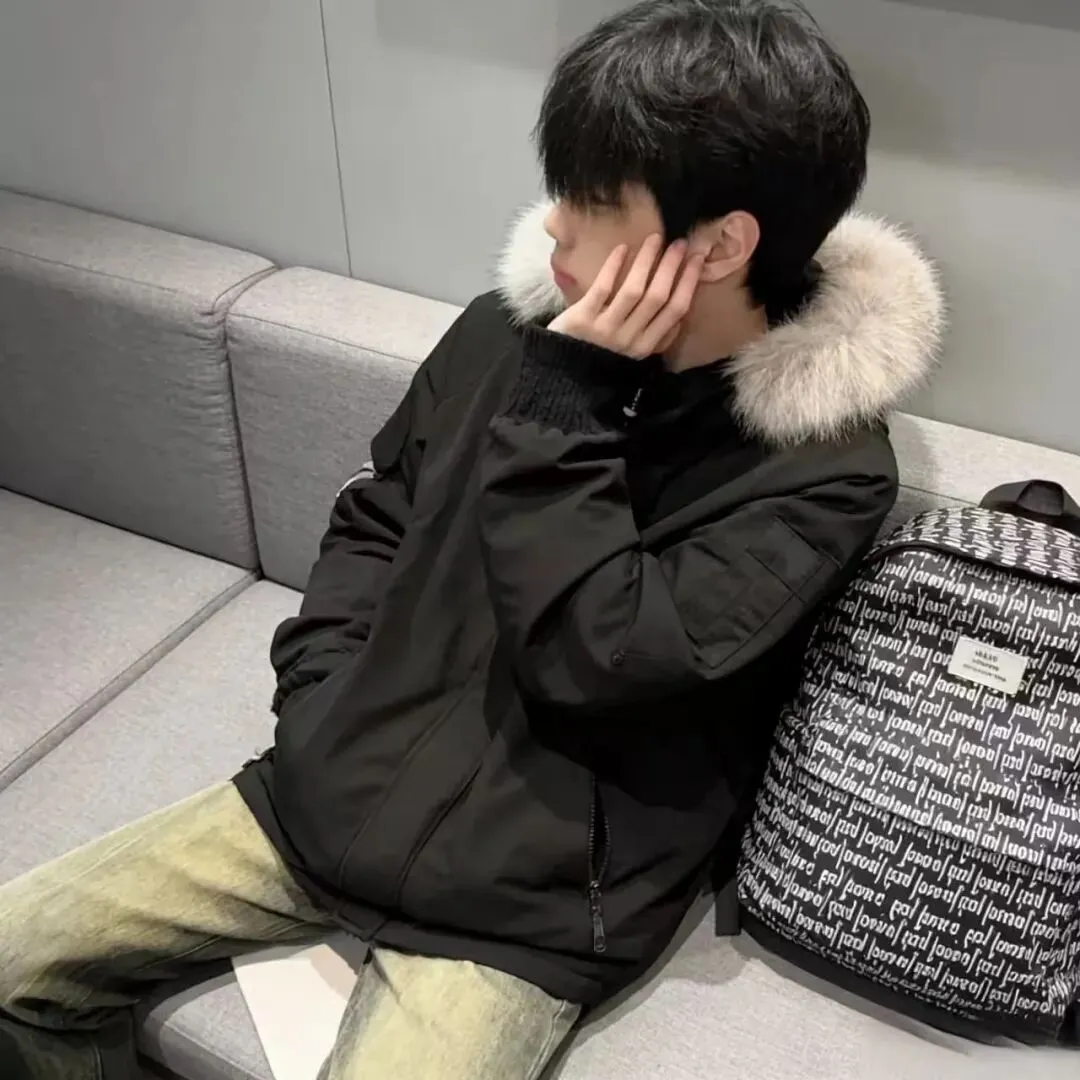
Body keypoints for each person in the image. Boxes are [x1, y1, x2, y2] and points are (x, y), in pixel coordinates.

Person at [0, 1, 945, 1077]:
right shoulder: (508, 335)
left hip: (526, 908)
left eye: (593, 201)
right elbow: (377, 512)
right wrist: (319, 699)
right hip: (324, 798)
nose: (555, 229)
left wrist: (568, 411)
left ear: (723, 244)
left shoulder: (820, 472)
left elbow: (600, 655)